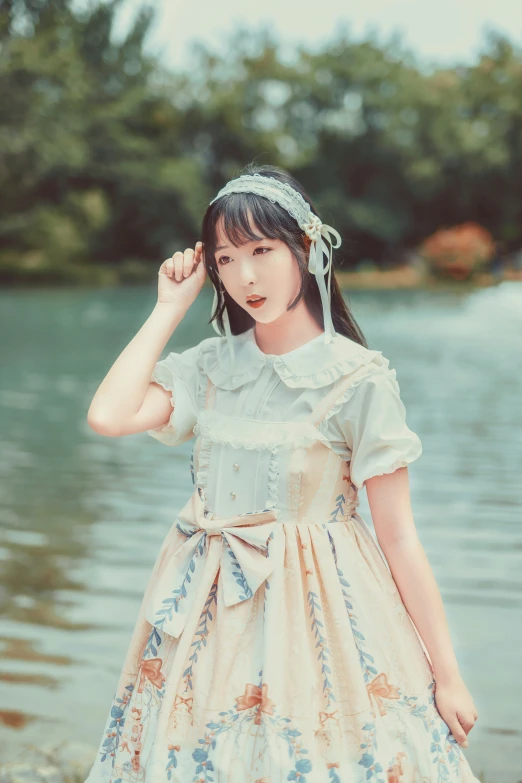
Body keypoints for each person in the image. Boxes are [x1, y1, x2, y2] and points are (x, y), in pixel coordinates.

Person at [84, 163, 480, 783]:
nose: (244, 276)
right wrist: (168, 308)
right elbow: (109, 415)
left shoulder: (357, 379)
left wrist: (447, 674)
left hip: (323, 611)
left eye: (262, 250)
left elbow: (399, 536)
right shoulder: (211, 367)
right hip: (204, 612)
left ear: (306, 247)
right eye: (225, 258)